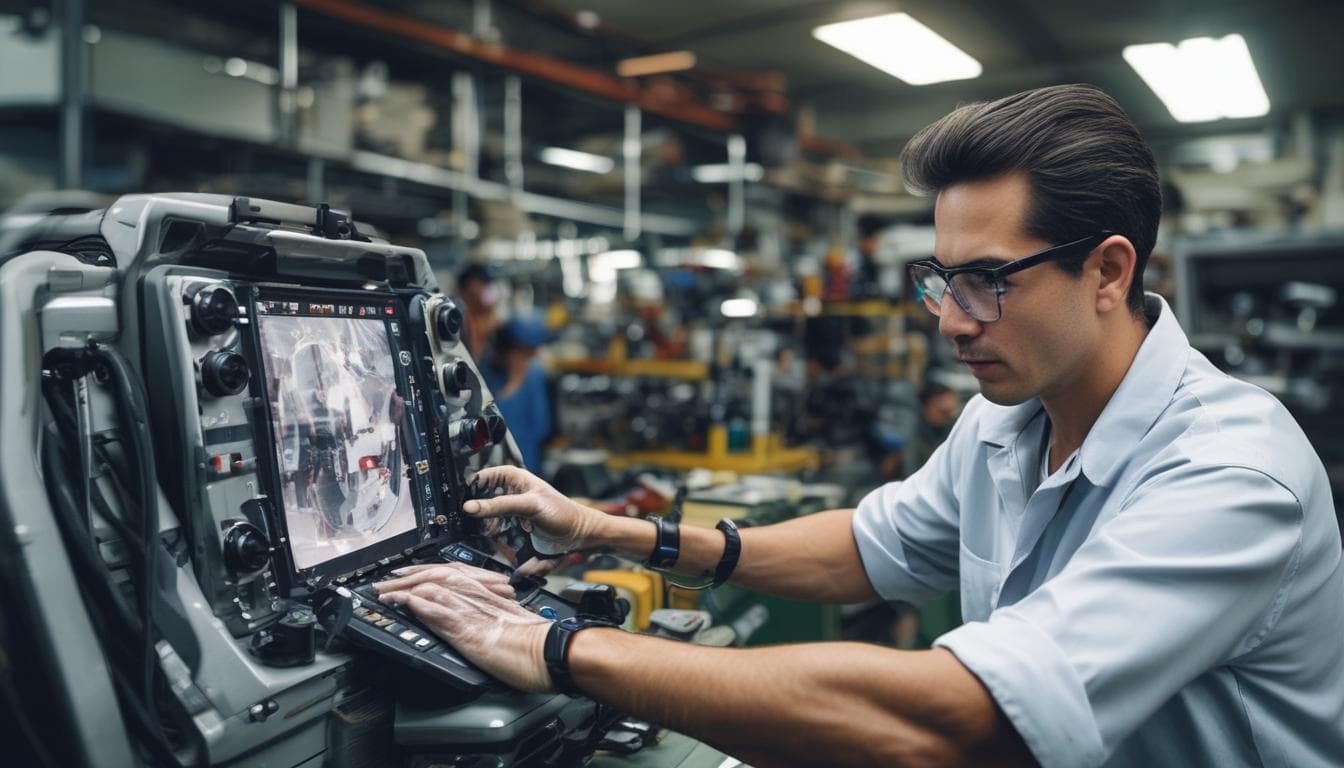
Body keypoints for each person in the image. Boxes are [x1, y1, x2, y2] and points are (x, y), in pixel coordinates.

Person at [373, 85, 1344, 767]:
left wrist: (553, 647)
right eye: (942, 281)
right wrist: (614, 531)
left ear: (1109, 271)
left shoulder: (1226, 475)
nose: (952, 320)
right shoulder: (1005, 421)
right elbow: (868, 547)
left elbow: (961, 724)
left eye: (987, 283)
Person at [479, 315, 553, 474]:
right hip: (494, 465)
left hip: (526, 465)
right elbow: (488, 422)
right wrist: (514, 382)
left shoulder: (533, 374)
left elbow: (541, 426)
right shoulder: (490, 371)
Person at [456, 262, 499, 357]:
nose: (486, 290)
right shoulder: (456, 316)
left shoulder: (483, 317)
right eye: (482, 284)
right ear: (471, 286)